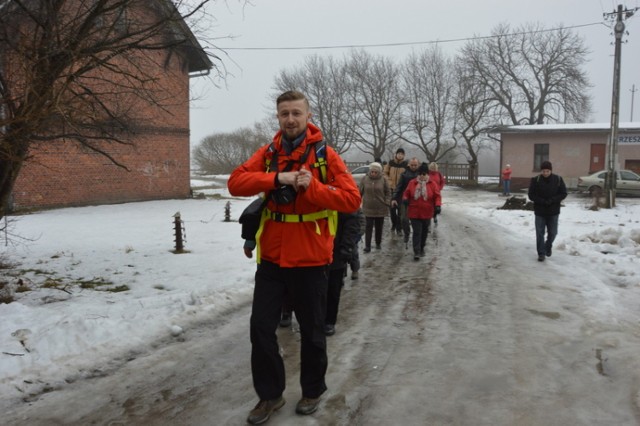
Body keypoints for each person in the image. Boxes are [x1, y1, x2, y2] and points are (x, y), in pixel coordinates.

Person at [227, 90, 361, 424]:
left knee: (313, 332)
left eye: (296, 113)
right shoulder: (269, 154)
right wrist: (277, 178)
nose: (290, 119)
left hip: (312, 259)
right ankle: (269, 396)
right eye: (284, 113)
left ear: (308, 114)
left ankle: (312, 390)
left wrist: (312, 187)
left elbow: (351, 200)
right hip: (272, 258)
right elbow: (235, 182)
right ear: (278, 117)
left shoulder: (324, 156)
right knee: (260, 327)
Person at [325, 209, 363, 336]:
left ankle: (329, 321)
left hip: (336, 251)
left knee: (333, 289)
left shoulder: (341, 194)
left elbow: (352, 222)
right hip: (314, 251)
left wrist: (347, 248)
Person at [527, 161, 567, 262]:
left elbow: (563, 193)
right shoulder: (536, 180)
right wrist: (541, 201)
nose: (545, 173)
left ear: (551, 170)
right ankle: (541, 253)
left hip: (553, 211)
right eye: (543, 171)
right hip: (540, 211)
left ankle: (548, 246)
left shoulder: (558, 179)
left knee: (553, 232)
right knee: (539, 233)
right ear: (541, 171)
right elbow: (531, 195)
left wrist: (552, 200)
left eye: (547, 171)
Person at [402, 163, 442, 260]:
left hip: (427, 212)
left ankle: (422, 247)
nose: (422, 176)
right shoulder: (412, 183)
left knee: (424, 232)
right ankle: (416, 251)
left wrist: (437, 205)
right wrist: (405, 199)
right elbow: (406, 193)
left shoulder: (432, 184)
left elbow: (437, 196)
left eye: (424, 174)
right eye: (420, 174)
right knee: (417, 231)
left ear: (427, 174)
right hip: (414, 211)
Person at [358, 162, 391, 252]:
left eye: (375, 172)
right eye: (372, 171)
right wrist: (356, 203)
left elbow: (388, 192)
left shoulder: (383, 180)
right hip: (368, 208)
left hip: (380, 207)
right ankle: (367, 246)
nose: (373, 173)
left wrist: (387, 202)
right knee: (368, 227)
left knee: (379, 227)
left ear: (379, 172)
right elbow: (359, 192)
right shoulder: (364, 179)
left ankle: (378, 243)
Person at [391, 158, 420, 247]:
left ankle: (417, 236)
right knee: (404, 218)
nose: (414, 167)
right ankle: (406, 233)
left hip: (417, 200)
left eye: (415, 165)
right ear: (409, 165)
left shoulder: (421, 174)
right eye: (412, 165)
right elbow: (399, 187)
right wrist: (394, 197)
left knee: (416, 221)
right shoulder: (404, 175)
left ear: (418, 165)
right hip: (405, 200)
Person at [384, 148, 408, 234]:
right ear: (396, 154)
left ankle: (399, 227)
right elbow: (385, 173)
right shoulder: (390, 163)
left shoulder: (406, 164)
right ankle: (394, 224)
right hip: (391, 189)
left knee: (401, 211)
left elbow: (408, 175)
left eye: (402, 154)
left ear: (404, 155)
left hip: (401, 190)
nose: (400, 155)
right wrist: (389, 181)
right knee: (392, 210)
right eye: (399, 153)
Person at [348, 207, 366, 280]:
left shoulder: (356, 208)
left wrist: (360, 233)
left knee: (354, 253)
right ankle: (342, 274)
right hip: (341, 234)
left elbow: (362, 221)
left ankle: (355, 270)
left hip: (353, 234)